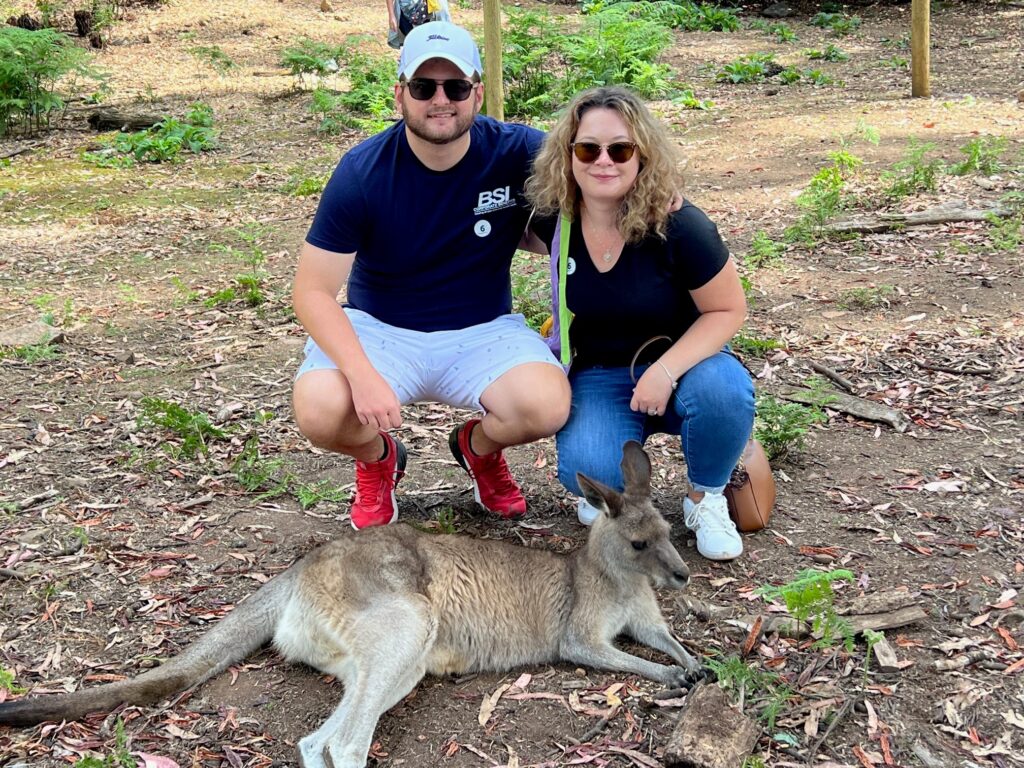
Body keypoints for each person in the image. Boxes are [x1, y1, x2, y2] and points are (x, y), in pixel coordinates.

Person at [292, 22, 570, 531]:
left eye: (456, 87)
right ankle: (378, 460)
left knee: (546, 405)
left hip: (483, 327)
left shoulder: (520, 151)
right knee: (320, 410)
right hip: (382, 327)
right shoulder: (363, 172)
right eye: (424, 87)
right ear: (400, 94)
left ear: (477, 94)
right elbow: (311, 292)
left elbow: (604, 161)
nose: (441, 100)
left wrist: (664, 194)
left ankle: (477, 449)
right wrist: (362, 375)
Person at [523, 86, 754, 561]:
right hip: (601, 373)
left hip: (686, 366)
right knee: (586, 469)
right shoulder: (555, 218)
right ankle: (628, 495)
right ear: (568, 155)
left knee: (722, 395)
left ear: (642, 155)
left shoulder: (680, 226)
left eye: (620, 149)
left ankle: (705, 493)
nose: (603, 161)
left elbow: (728, 310)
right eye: (588, 148)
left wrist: (664, 372)